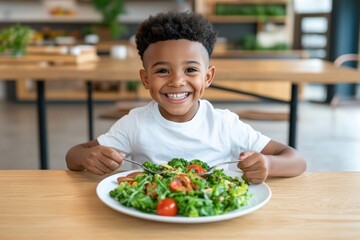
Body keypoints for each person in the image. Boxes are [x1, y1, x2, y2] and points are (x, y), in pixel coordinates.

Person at [66, 11, 306, 184]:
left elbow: (296, 160)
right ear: (146, 79)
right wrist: (87, 157)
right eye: (162, 71)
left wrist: (268, 164)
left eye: (190, 70)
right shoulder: (134, 123)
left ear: (208, 77)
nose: (177, 81)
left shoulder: (224, 124)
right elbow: (72, 156)